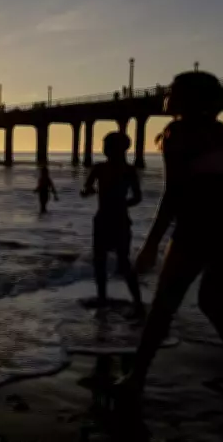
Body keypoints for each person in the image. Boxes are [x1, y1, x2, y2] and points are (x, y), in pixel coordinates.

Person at [117, 71, 223, 396]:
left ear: (186, 98)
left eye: (173, 90)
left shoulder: (177, 133)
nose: (167, 94)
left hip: (199, 227)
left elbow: (174, 194)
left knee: (163, 307)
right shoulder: (222, 131)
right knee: (213, 302)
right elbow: (217, 184)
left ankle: (136, 379)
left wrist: (151, 244)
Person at [80, 132, 145, 317]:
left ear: (120, 148)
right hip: (109, 219)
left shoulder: (119, 170)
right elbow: (86, 190)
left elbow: (137, 197)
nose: (104, 148)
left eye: (107, 145)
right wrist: (88, 191)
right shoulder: (104, 169)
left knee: (119, 262)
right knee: (103, 261)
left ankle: (135, 301)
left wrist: (120, 204)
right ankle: (107, 298)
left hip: (115, 220)